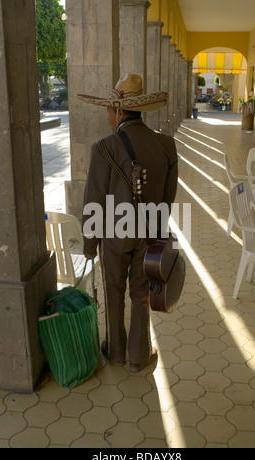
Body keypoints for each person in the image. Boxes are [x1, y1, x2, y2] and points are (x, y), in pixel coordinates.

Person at [78, 73, 178, 373]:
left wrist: (88, 244)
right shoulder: (166, 144)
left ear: (120, 111)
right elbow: (167, 196)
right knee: (141, 295)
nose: (108, 116)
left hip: (114, 236)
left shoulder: (103, 147)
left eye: (109, 110)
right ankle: (138, 357)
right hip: (149, 234)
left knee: (113, 292)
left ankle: (116, 352)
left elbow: (93, 200)